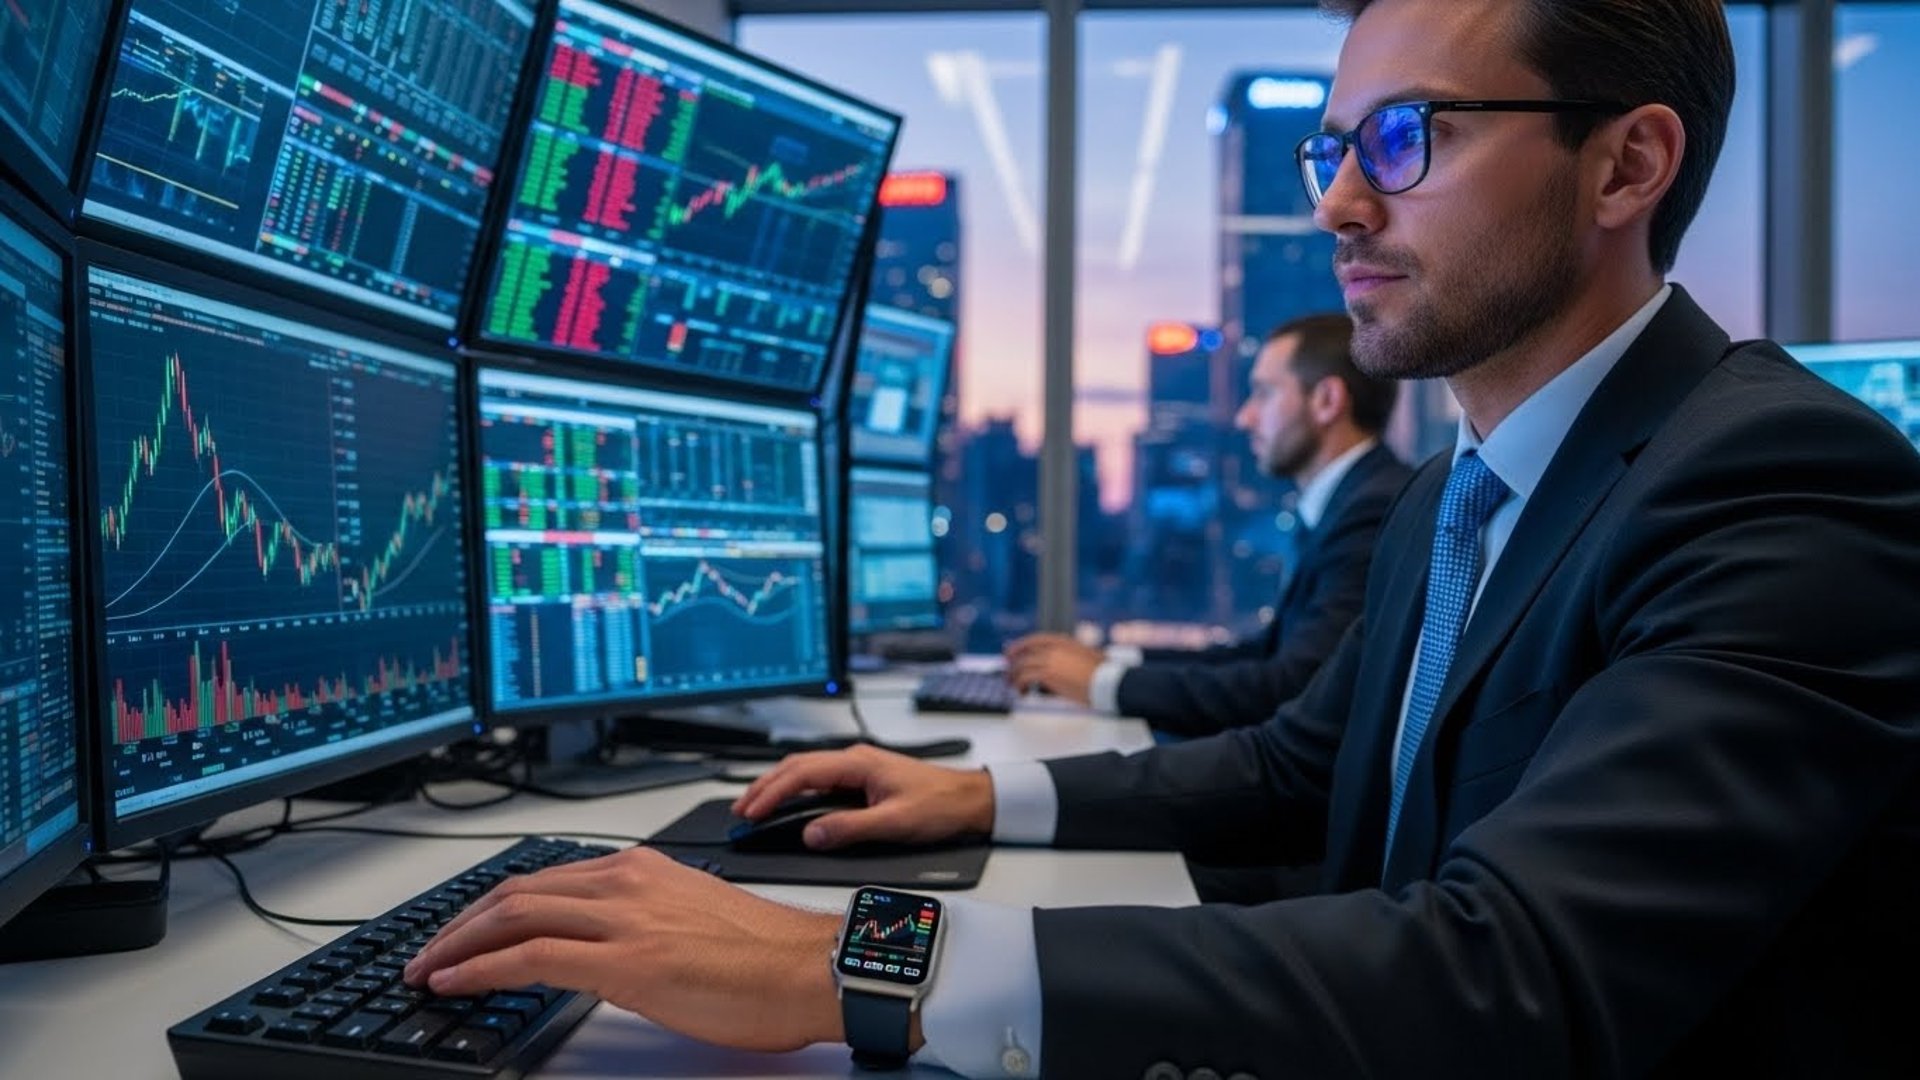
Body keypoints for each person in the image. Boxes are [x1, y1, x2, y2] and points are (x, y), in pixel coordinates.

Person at [403, 0, 1920, 1075]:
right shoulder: (1467, 494)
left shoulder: (1778, 479)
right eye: (1329, 146)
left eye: (1402, 138)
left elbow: (1514, 972)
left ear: (1626, 165)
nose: (1335, 202)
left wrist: (850, 965)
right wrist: (967, 797)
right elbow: (1302, 774)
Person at [1004, 314, 1411, 736]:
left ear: (1326, 400)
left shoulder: (1373, 511)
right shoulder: (1355, 499)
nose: (1245, 417)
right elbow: (1266, 655)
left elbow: (1293, 686)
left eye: (1263, 393)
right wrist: (1113, 662)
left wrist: (1102, 683)